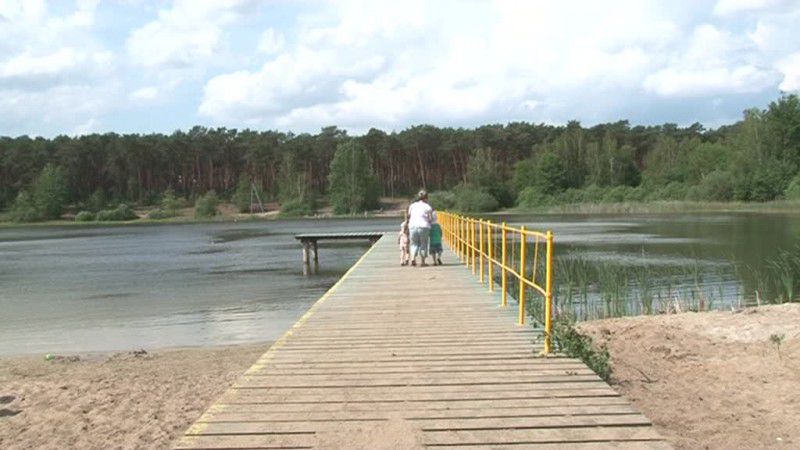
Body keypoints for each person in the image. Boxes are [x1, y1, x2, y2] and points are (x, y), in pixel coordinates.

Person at [407, 189, 433, 266]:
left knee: (413, 244)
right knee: (423, 244)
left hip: (413, 226)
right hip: (423, 227)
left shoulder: (412, 205)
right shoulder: (428, 207)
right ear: (426, 198)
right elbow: (430, 219)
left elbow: (409, 216)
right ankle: (423, 262)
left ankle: (412, 259)